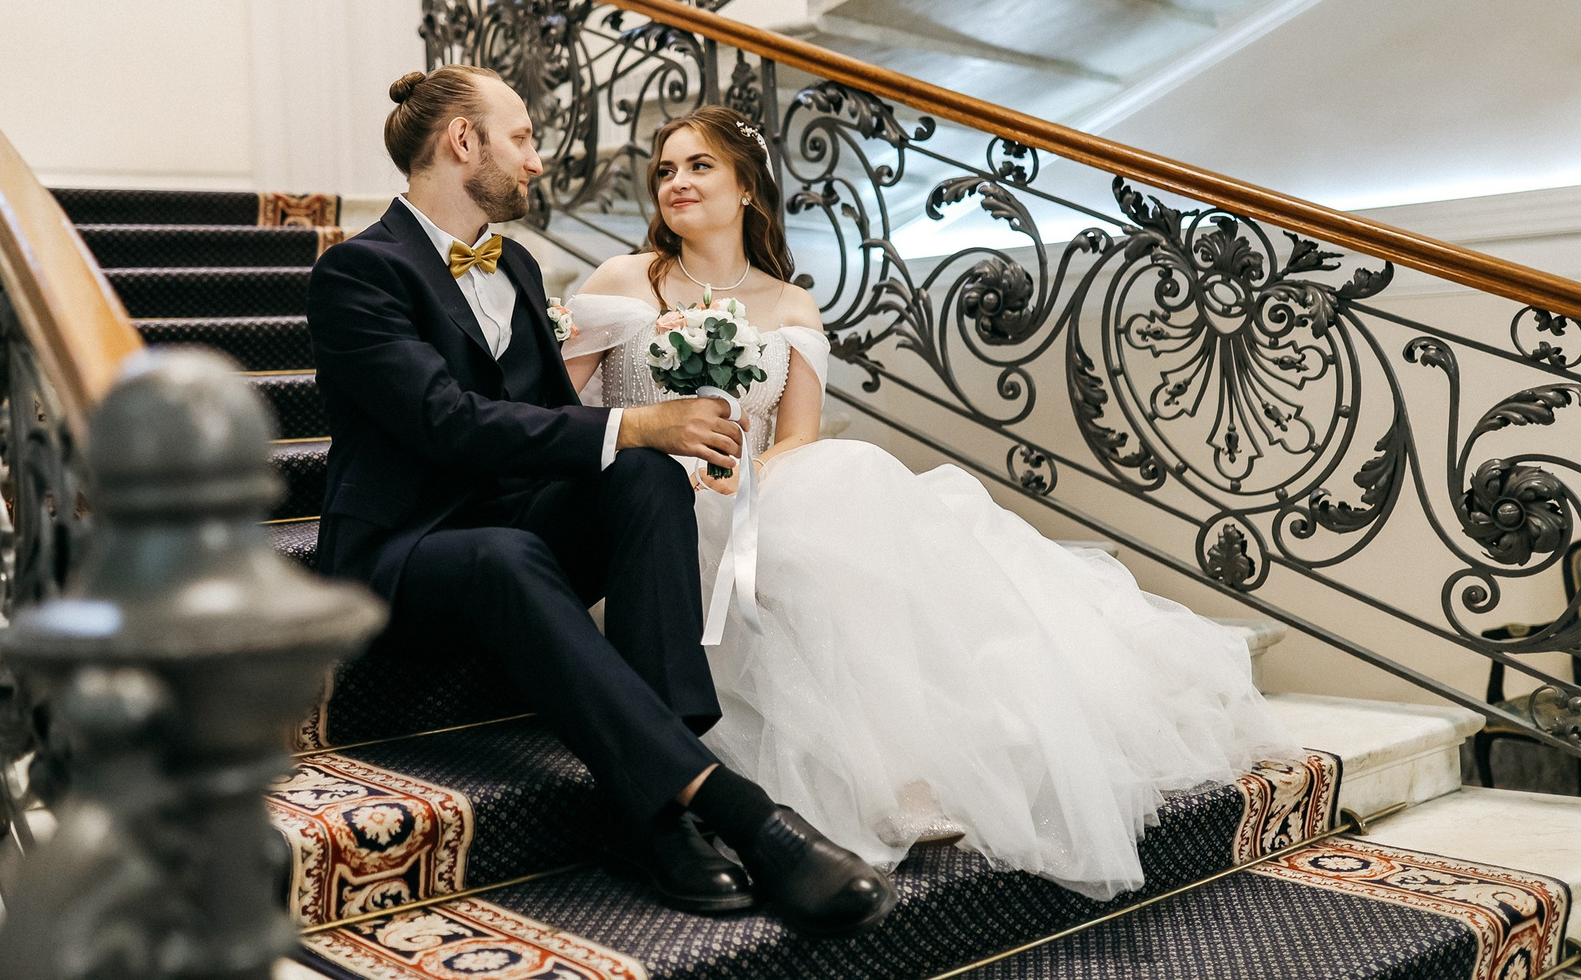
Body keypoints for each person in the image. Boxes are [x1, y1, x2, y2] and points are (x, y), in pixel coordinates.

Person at [561, 105, 1300, 900]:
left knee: (850, 480)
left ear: (747, 187)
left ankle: (902, 770)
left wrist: (744, 477)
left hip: (743, 489)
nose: (676, 181)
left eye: (699, 165)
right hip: (643, 503)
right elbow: (557, 415)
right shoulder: (622, 281)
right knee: (828, 516)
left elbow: (797, 435)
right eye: (665, 169)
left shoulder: (791, 306)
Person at [306, 66, 898, 935]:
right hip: (401, 553)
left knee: (646, 475)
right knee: (525, 540)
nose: (536, 161)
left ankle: (646, 802)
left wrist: (662, 446)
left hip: (512, 526)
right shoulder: (359, 270)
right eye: (522, 138)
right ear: (464, 142)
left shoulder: (515, 262)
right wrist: (639, 420)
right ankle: (723, 812)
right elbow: (446, 421)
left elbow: (552, 416)